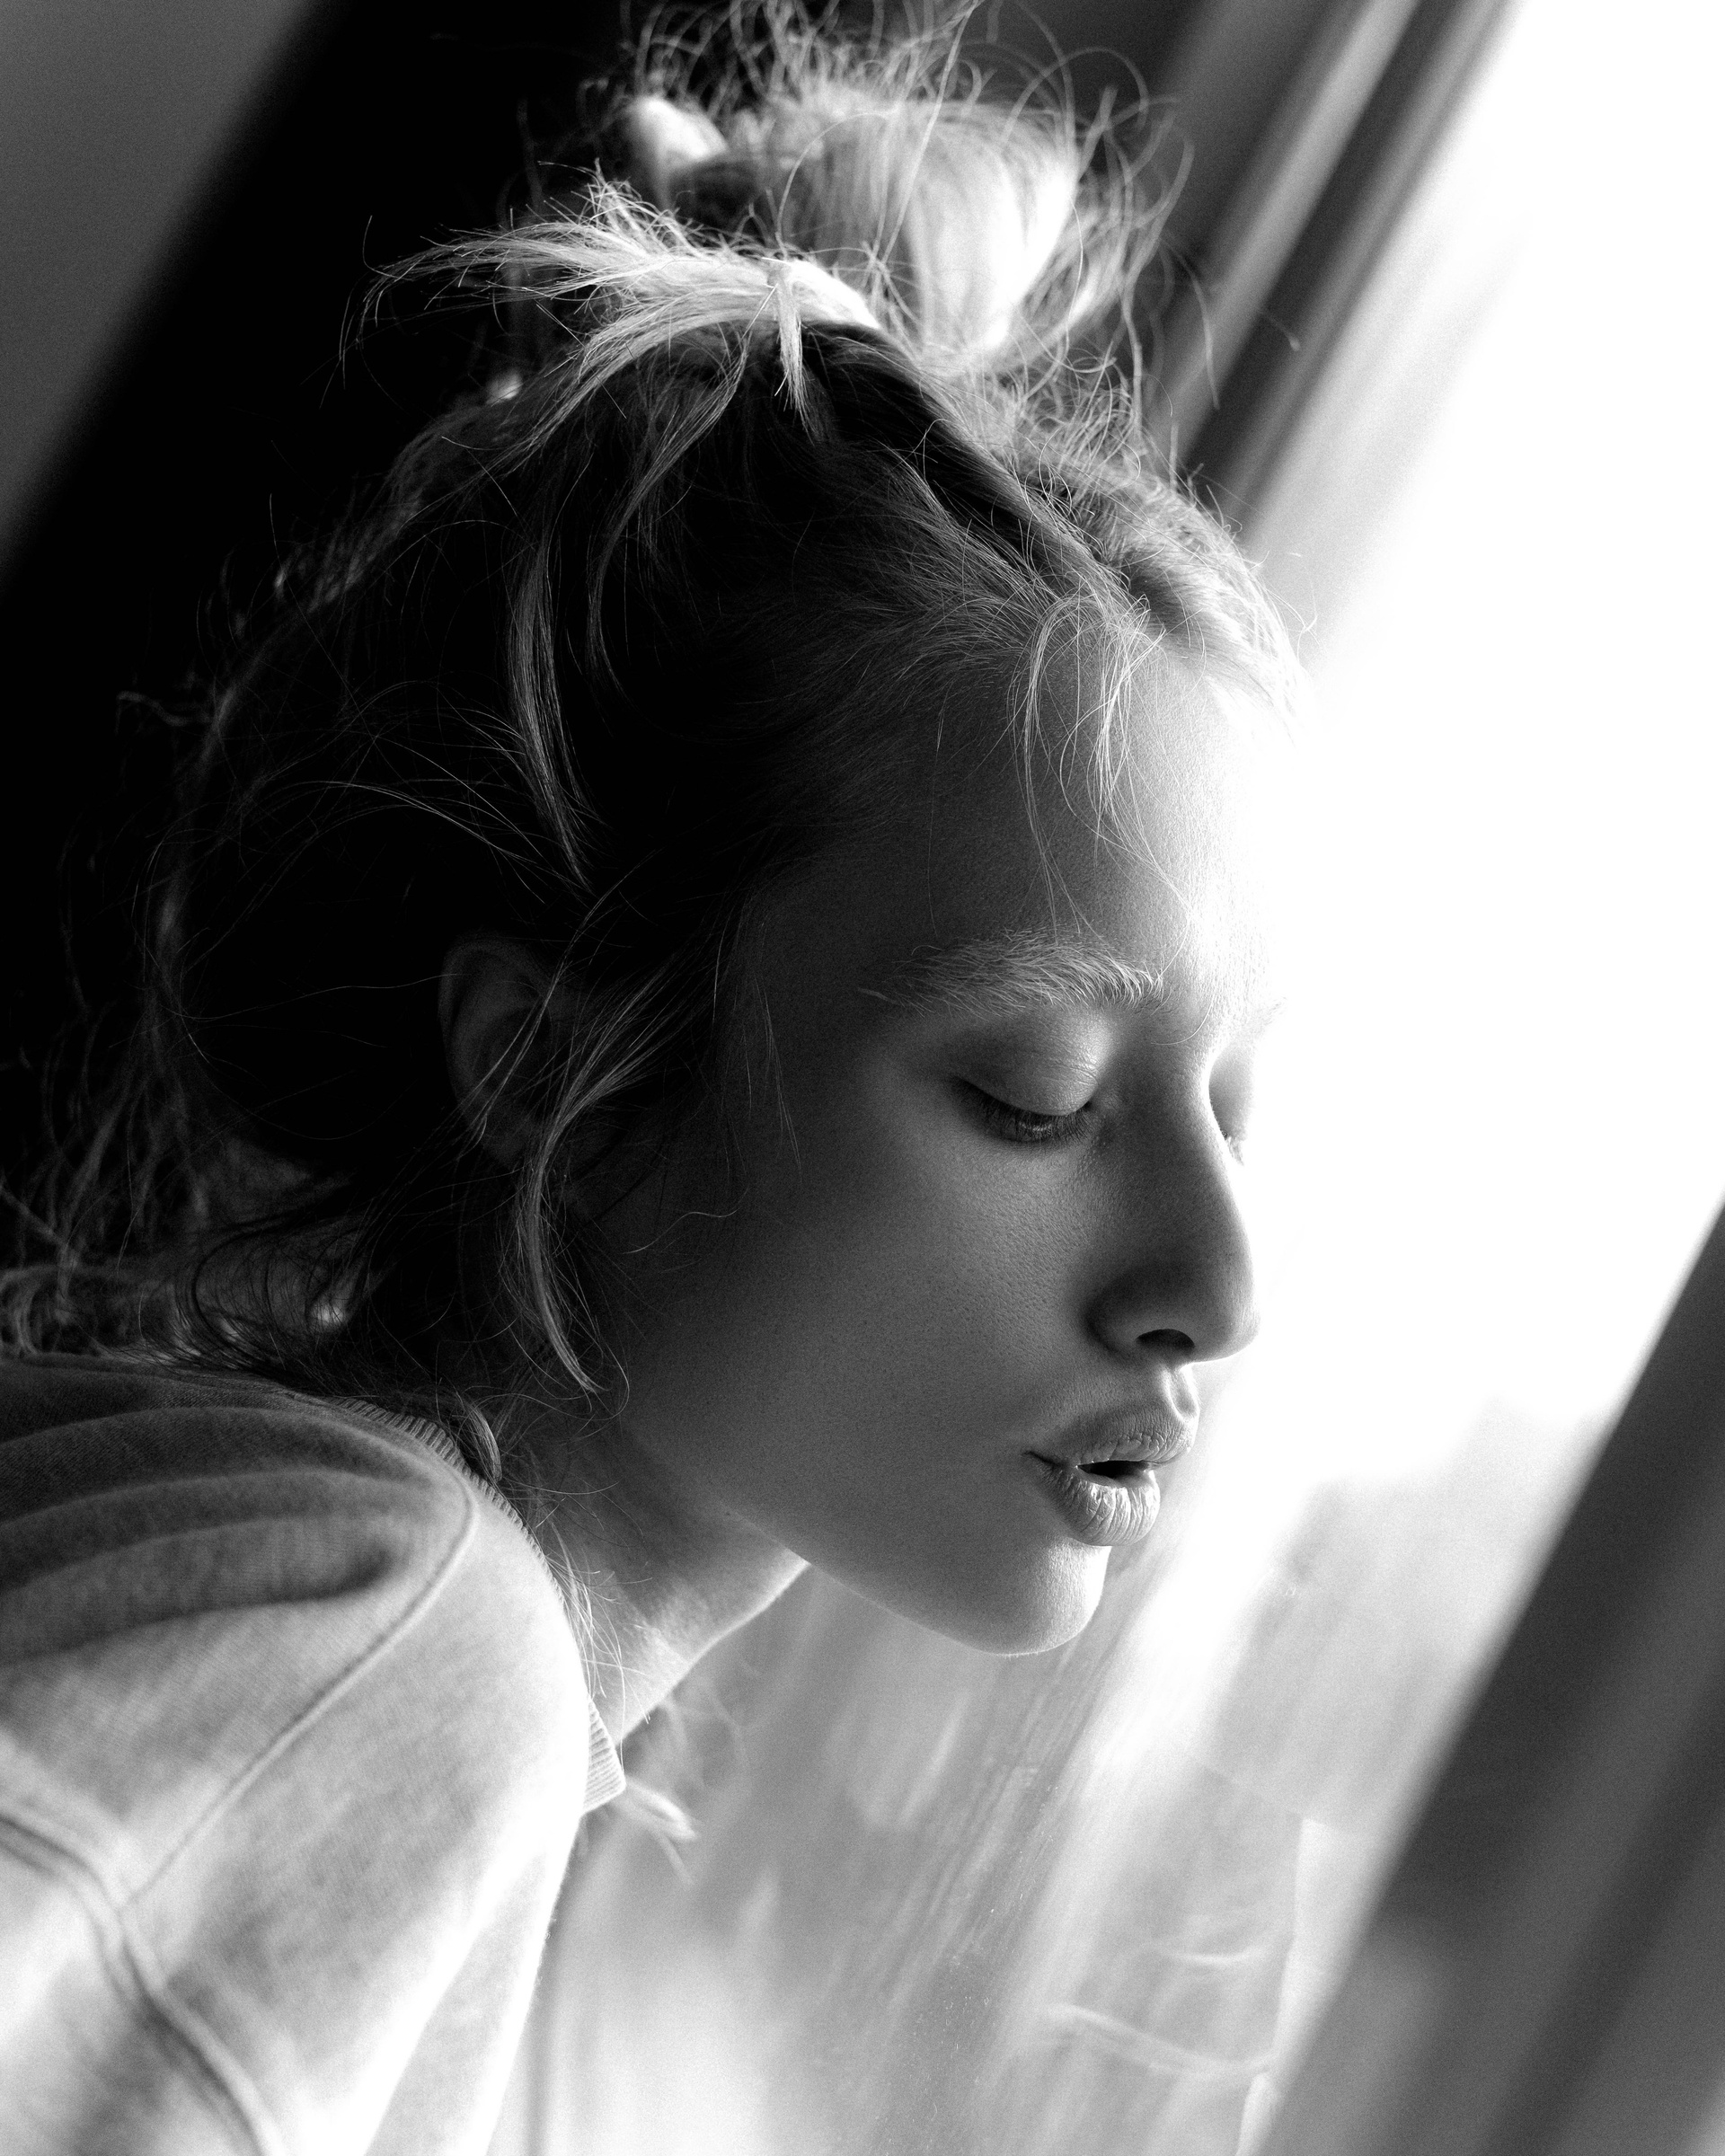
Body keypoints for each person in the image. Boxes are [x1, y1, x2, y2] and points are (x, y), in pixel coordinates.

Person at [0, 13, 1301, 2152]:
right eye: (1039, 1095)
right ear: (555, 1075)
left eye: (1233, 1108)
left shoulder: (363, 1627)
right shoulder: (397, 1654)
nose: (1218, 1283)